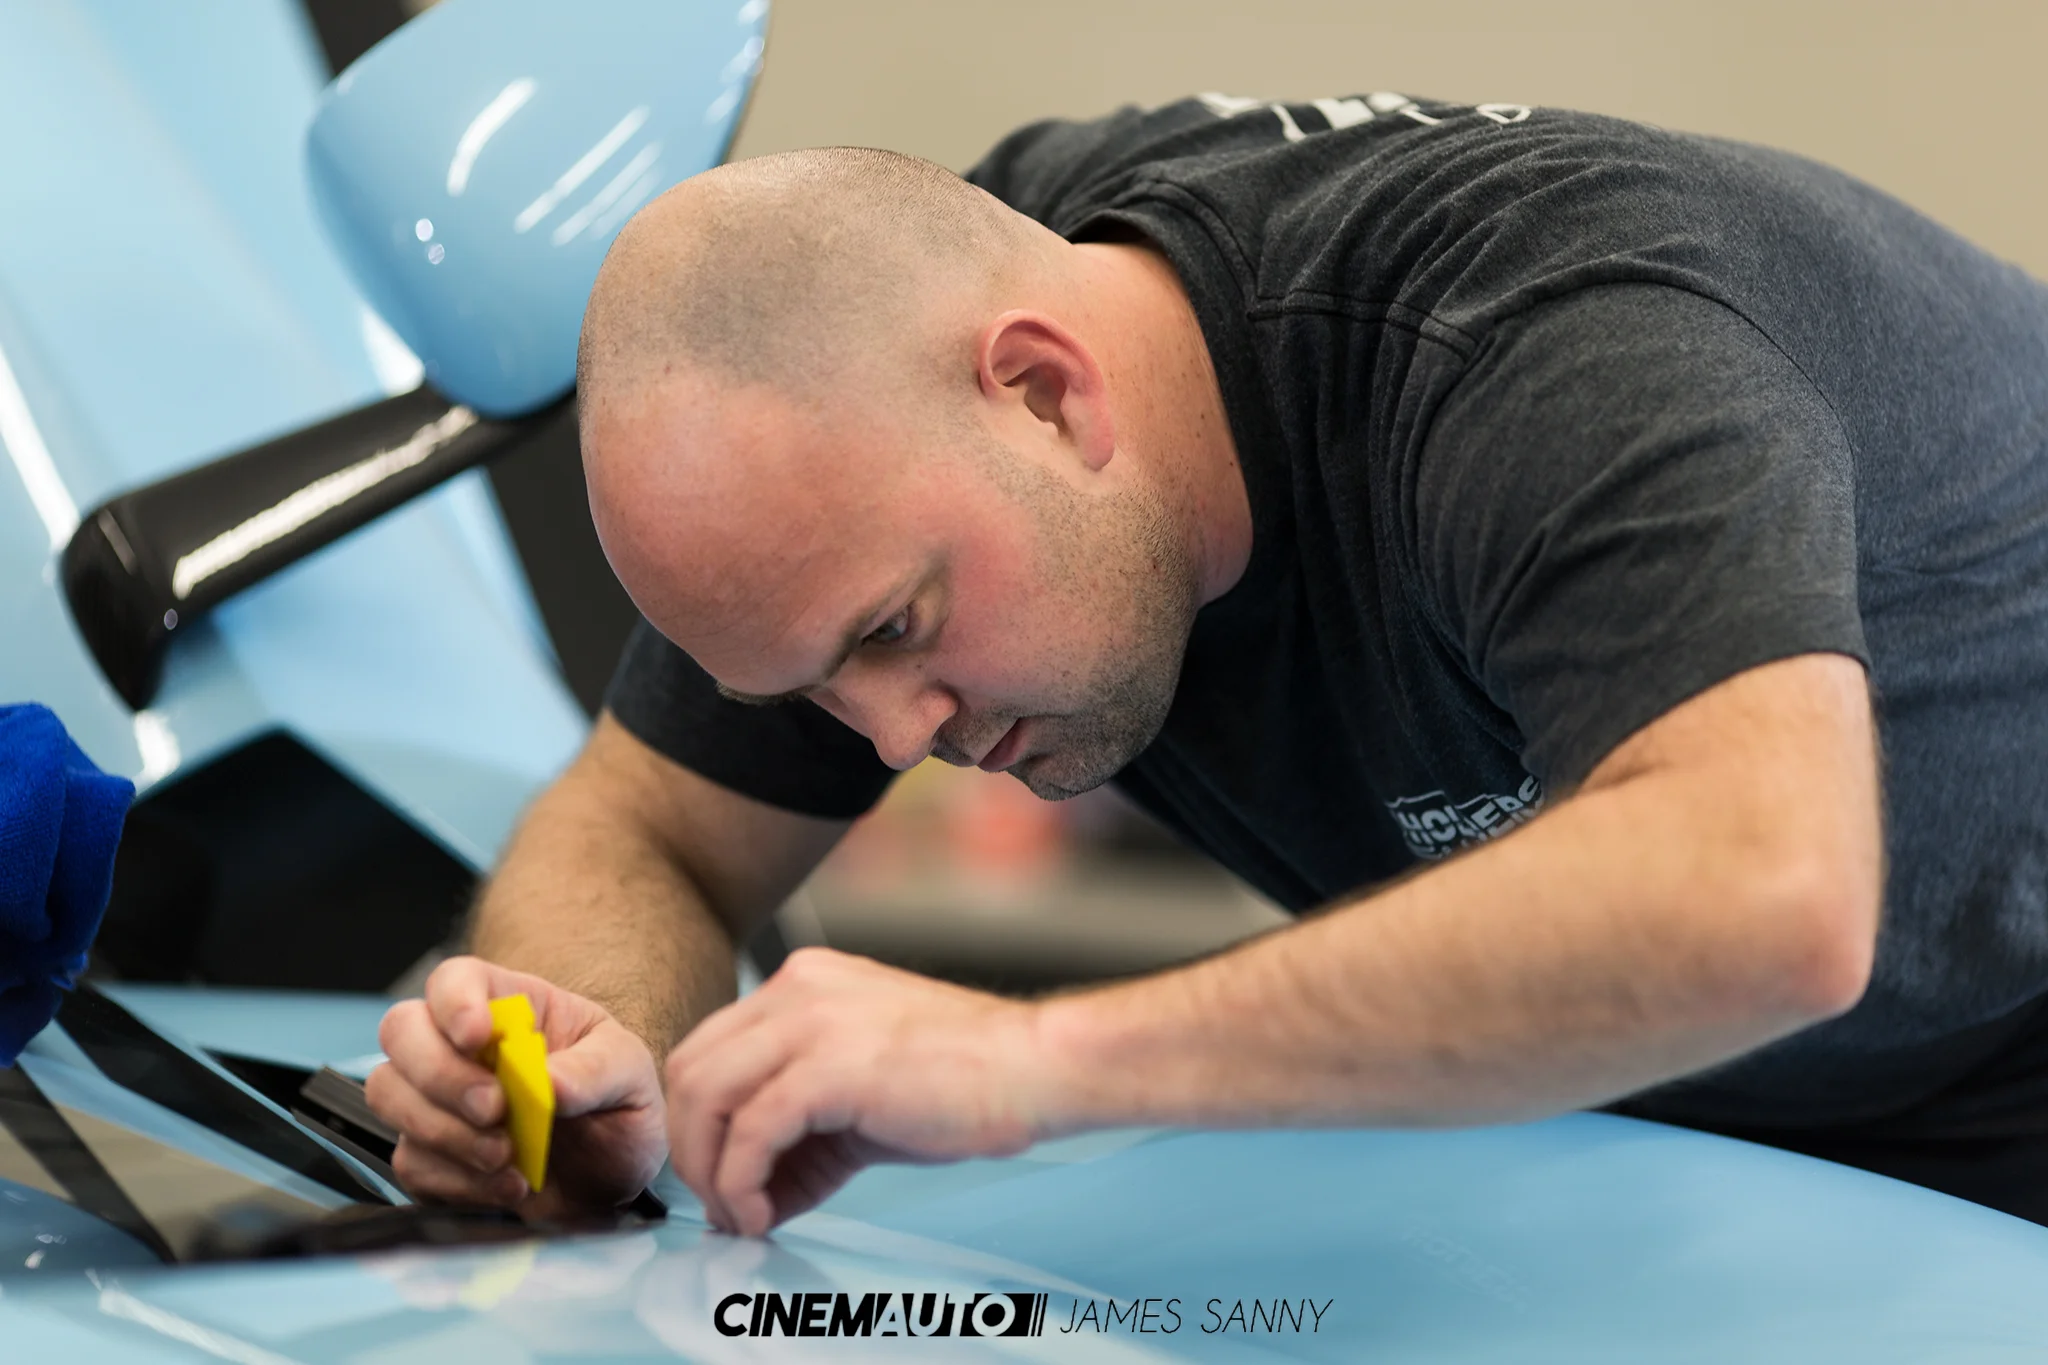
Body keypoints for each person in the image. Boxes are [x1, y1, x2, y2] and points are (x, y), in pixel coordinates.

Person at [365, 91, 2048, 1233]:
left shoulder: (1537, 347)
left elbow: (1763, 896)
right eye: (803, 691)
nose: (885, 740)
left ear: (1048, 393)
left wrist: (1029, 1063)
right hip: (1705, 1135)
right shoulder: (867, 407)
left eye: (892, 633)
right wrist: (571, 1065)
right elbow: (648, 824)